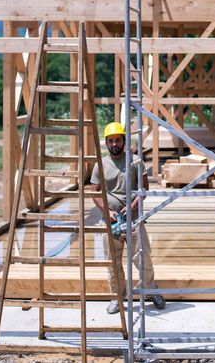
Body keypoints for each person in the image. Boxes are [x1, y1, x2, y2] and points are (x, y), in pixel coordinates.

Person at [88, 121, 165, 313]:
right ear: (106, 142)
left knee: (142, 258)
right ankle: (118, 297)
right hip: (110, 222)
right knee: (113, 261)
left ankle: (150, 291)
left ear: (124, 141)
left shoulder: (135, 161)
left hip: (134, 220)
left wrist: (131, 207)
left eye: (118, 140)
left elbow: (144, 188)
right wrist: (108, 212)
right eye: (111, 141)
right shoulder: (101, 165)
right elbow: (94, 192)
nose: (114, 144)